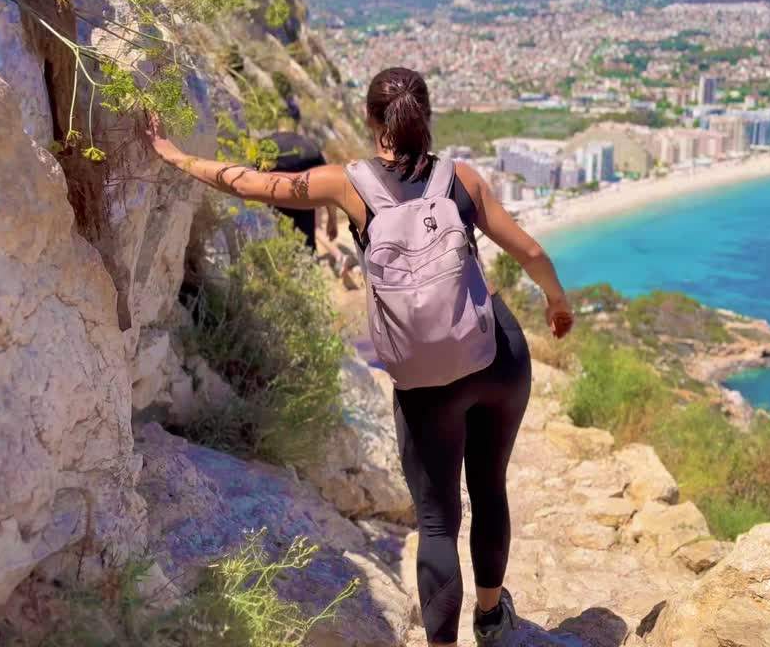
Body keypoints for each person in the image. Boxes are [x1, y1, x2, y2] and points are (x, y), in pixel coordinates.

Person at [148, 66, 575, 647]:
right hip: (497, 353)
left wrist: (176, 156)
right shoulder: (463, 181)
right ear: (426, 117)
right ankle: (493, 616)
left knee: (437, 521)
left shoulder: (346, 186)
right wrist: (556, 304)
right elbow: (528, 249)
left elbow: (250, 183)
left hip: (427, 380)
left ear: (373, 122)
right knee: (490, 486)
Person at [265, 131, 337, 252]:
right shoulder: (308, 144)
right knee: (307, 246)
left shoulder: (266, 145)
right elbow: (328, 186)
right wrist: (332, 218)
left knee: (285, 244)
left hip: (276, 208)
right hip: (305, 206)